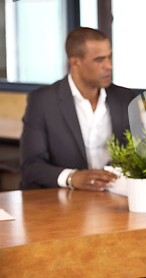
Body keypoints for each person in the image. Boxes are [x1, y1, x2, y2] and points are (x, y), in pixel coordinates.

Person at [20, 27, 137, 191]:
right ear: (75, 62)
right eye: (99, 60)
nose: (109, 66)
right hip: (62, 200)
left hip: (113, 198)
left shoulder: (125, 98)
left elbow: (137, 154)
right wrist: (71, 177)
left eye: (110, 57)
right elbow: (31, 167)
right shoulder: (42, 102)